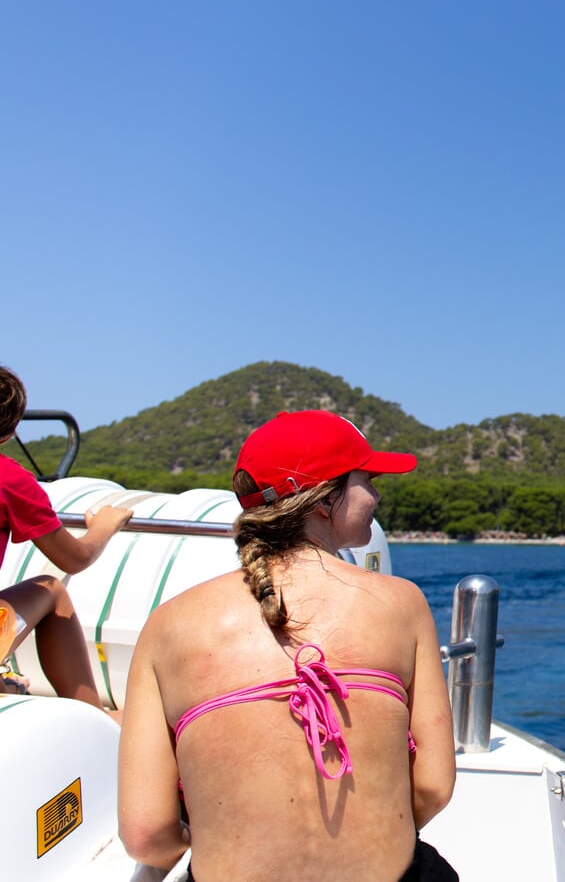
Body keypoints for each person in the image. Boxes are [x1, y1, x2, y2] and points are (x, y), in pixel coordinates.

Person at [118, 409, 457, 880]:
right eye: (369, 479)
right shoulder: (402, 604)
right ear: (324, 499)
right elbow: (433, 788)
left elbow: (147, 835)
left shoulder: (165, 626)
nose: (377, 494)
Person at [0, 365, 131, 708]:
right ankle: (91, 713)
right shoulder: (10, 480)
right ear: (10, 432)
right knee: (52, 589)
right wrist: (104, 527)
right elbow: (74, 558)